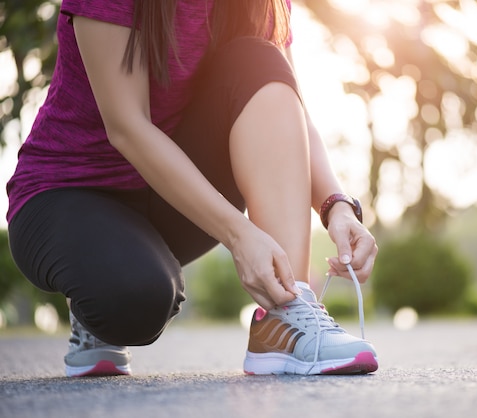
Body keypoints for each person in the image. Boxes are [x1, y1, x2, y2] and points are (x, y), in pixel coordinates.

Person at [6, 0, 379, 377]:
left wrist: (337, 207)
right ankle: (92, 301)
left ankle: (286, 317)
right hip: (66, 193)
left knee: (259, 59)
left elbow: (287, 108)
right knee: (136, 300)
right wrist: (238, 234)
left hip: (169, 196)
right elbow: (127, 127)